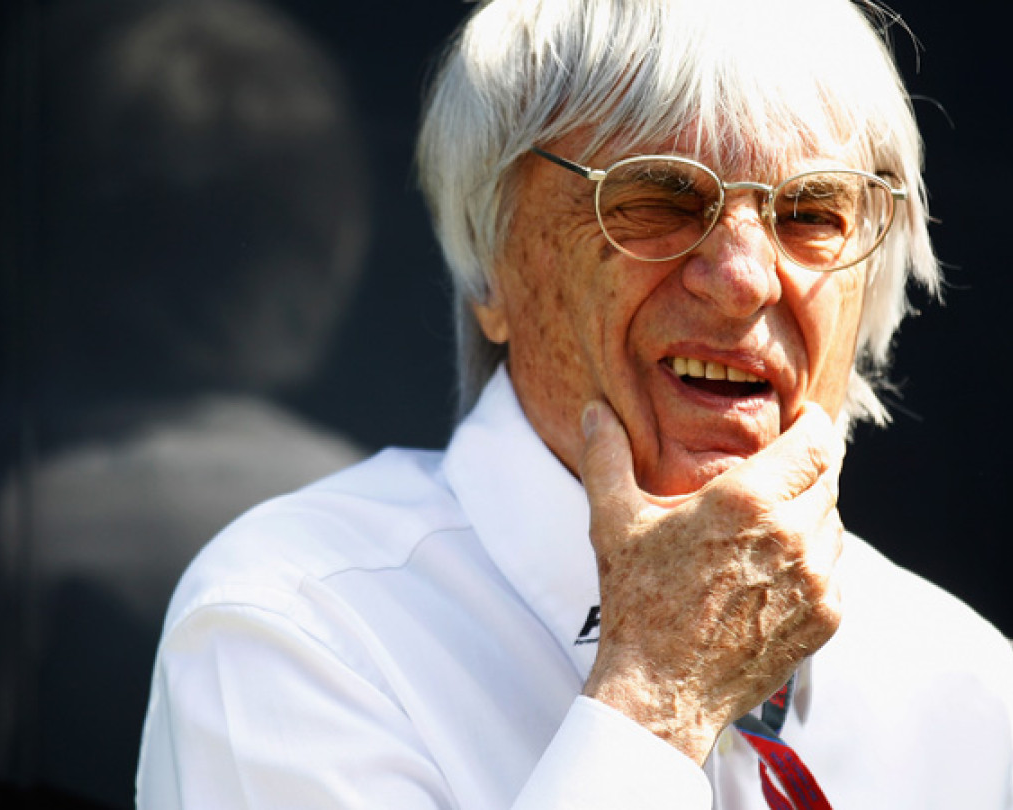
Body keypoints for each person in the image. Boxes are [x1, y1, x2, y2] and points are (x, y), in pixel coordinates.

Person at [136, 0, 1013, 807]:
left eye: (812, 212)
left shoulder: (969, 690)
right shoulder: (292, 626)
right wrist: (660, 697)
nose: (744, 280)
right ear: (491, 266)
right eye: (657, 197)